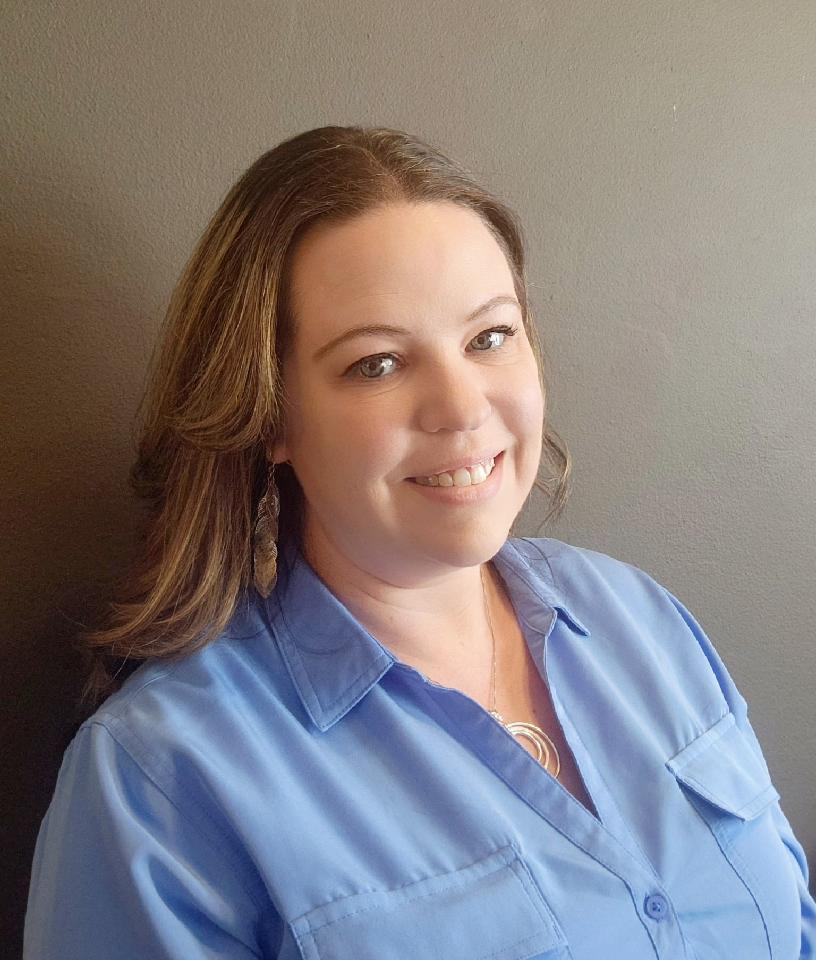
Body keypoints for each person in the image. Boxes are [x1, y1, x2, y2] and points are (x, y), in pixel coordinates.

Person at [24, 125, 814, 960]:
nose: (462, 408)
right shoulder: (164, 779)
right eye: (378, 363)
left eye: (489, 337)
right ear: (268, 415)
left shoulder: (644, 621)